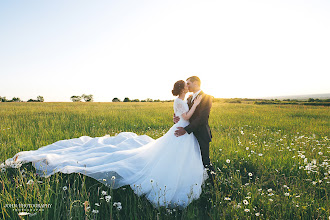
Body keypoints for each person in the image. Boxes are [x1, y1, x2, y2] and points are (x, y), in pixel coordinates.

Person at [1, 80, 208, 209]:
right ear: (184, 87)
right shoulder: (188, 100)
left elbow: (187, 116)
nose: (189, 87)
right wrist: (184, 116)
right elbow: (187, 115)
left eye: (190, 84)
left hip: (183, 131)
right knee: (170, 157)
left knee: (179, 157)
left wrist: (182, 118)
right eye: (187, 84)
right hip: (181, 131)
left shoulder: (191, 98)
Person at [174, 76, 215, 183]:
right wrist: (176, 117)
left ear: (196, 83)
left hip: (201, 134)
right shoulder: (188, 98)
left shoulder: (207, 97)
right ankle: (194, 181)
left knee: (205, 159)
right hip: (189, 136)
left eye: (188, 83)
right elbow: (183, 113)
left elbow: (202, 118)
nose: (186, 86)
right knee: (191, 160)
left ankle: (213, 182)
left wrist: (186, 129)